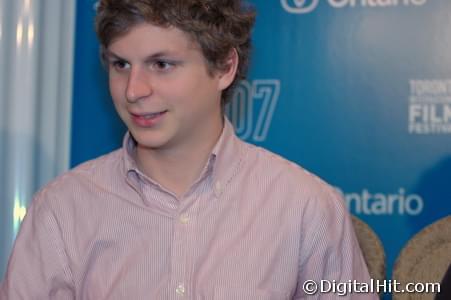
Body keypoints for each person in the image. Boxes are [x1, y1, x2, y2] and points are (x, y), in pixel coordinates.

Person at [0, 0, 375, 298]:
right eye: (120, 64)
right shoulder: (62, 208)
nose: (133, 90)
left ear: (225, 66)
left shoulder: (305, 205)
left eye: (161, 64)